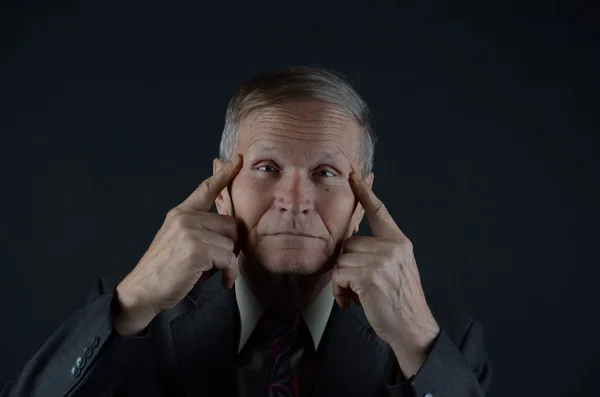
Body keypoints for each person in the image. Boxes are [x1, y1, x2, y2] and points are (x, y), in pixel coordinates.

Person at [1, 66, 493, 397]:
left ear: (362, 199)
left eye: (325, 173)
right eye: (265, 167)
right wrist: (134, 301)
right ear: (222, 188)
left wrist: (417, 342)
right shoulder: (131, 315)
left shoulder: (442, 338)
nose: (296, 200)